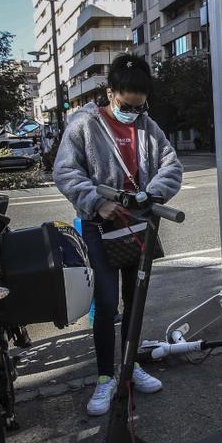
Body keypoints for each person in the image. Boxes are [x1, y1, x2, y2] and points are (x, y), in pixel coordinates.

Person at [54, 54, 183, 415]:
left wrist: (152, 194)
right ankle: (104, 378)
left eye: (140, 107)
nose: (134, 112)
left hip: (138, 224)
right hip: (100, 227)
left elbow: (171, 164)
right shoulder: (84, 124)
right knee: (107, 304)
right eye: (127, 105)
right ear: (110, 93)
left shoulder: (147, 126)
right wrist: (96, 202)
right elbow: (65, 172)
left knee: (136, 301)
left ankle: (130, 368)